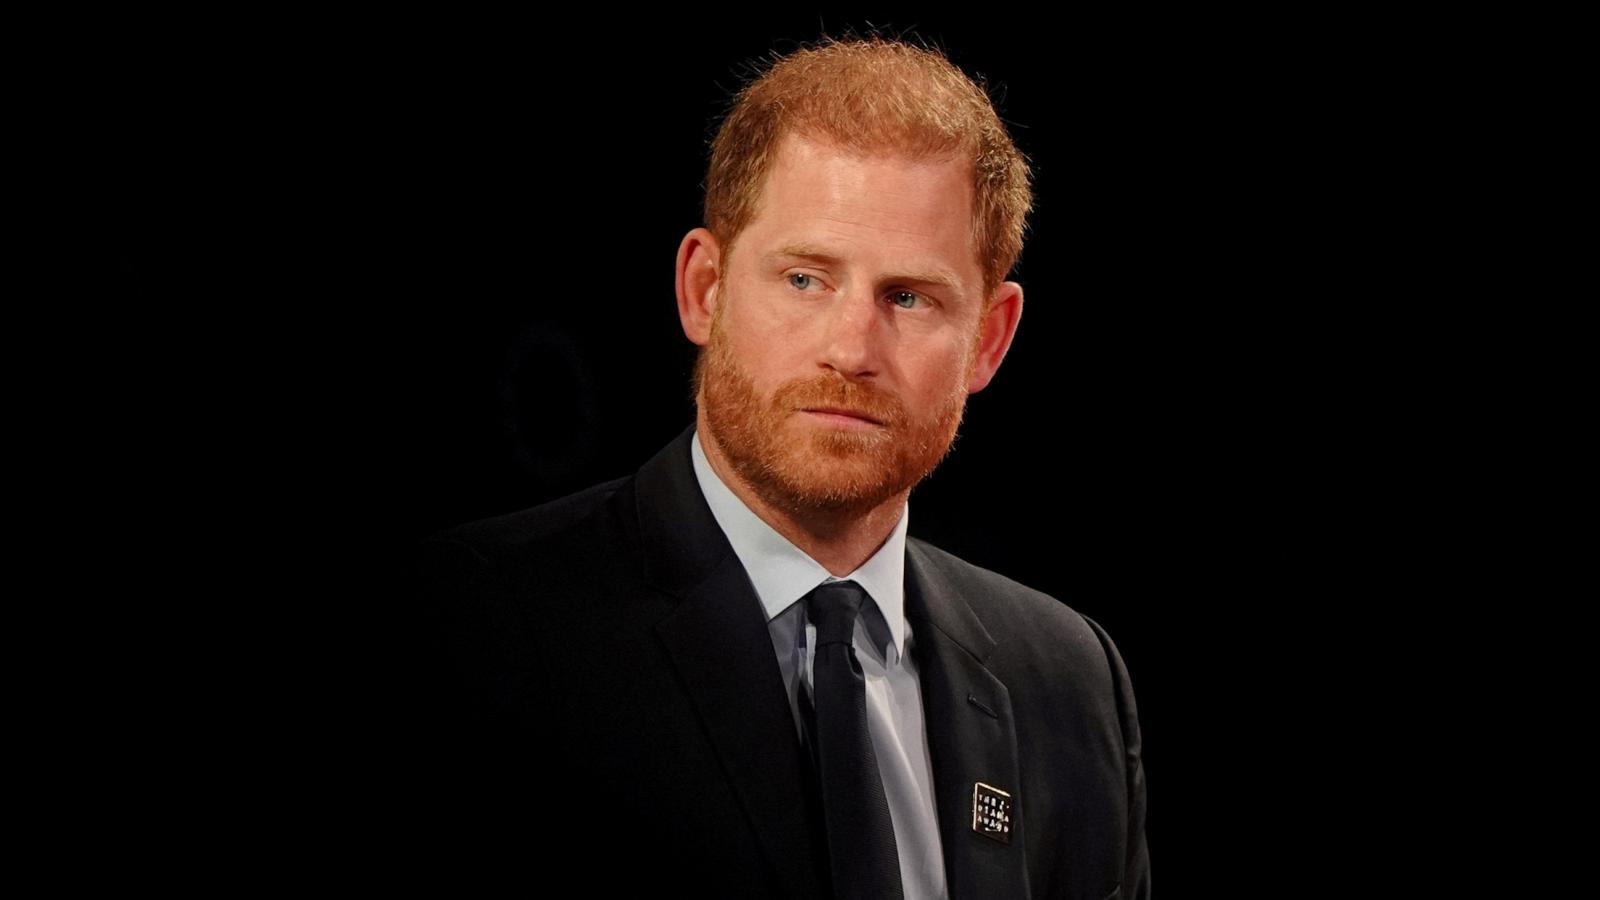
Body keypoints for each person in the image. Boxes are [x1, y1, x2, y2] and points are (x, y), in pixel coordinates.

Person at [415, 34, 1149, 900]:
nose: (851, 349)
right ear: (704, 290)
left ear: (989, 339)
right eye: (805, 279)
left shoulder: (1067, 681)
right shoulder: (464, 627)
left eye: (908, 297)